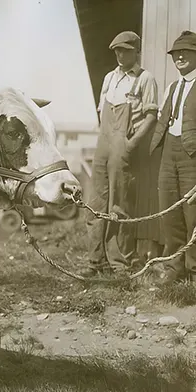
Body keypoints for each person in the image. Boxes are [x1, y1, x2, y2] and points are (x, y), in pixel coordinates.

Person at [82, 31, 159, 277]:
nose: (119, 54)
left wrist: (131, 143)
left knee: (120, 203)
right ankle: (96, 261)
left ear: (136, 51)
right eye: (116, 50)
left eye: (125, 50)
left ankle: (120, 262)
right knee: (95, 202)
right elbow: (101, 112)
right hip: (104, 144)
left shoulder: (145, 79)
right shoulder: (109, 78)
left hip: (123, 147)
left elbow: (151, 116)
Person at [150, 30, 196, 285]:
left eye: (186, 52)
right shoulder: (172, 87)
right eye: (176, 53)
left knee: (194, 213)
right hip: (169, 152)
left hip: (193, 156)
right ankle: (175, 269)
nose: (179, 56)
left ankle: (194, 269)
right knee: (170, 210)